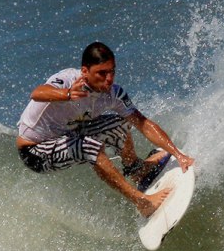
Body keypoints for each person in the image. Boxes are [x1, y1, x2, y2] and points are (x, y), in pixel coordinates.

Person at [16, 41, 195, 218]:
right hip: (35, 151)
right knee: (89, 146)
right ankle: (142, 202)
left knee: (121, 123)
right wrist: (67, 94)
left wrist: (178, 155)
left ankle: (137, 170)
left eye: (112, 72)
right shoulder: (68, 80)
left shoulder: (113, 94)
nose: (109, 78)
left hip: (68, 134)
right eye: (102, 73)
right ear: (85, 71)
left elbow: (143, 123)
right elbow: (37, 93)